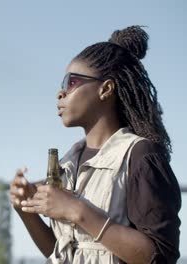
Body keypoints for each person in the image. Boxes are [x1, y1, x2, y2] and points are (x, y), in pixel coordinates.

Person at [10, 26, 181, 263]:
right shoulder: (67, 164)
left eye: (71, 82)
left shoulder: (139, 155)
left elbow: (159, 255)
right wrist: (25, 209)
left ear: (106, 89)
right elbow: (59, 251)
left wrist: (76, 210)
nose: (61, 93)